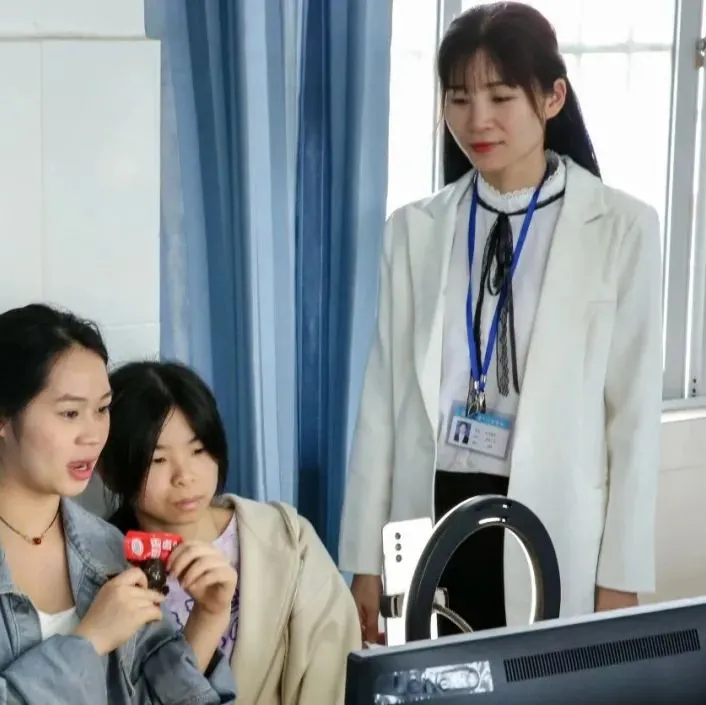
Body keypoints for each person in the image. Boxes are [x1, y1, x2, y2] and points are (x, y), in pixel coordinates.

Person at [340, 1, 660, 644]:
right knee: (428, 674)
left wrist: (622, 574)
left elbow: (632, 420)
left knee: (543, 677)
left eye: (500, 96)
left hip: (553, 516)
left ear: (552, 98)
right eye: (458, 98)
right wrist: (365, 561)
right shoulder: (413, 230)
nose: (476, 120)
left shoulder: (623, 228)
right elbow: (381, 403)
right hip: (429, 508)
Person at [0, 304, 236, 704]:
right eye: (69, 413)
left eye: (102, 409)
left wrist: (210, 616)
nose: (93, 435)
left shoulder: (108, 548)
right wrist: (90, 640)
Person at [100, 360, 362, 705]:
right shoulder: (101, 569)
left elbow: (335, 672)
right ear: (110, 470)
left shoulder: (287, 540)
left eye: (198, 450)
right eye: (158, 460)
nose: (185, 476)